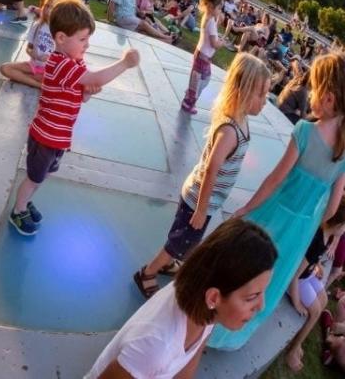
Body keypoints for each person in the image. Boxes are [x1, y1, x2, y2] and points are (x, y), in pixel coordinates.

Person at [210, 53, 345, 350]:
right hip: (302, 229)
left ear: (330, 99)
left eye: (315, 88)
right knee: (271, 279)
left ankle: (215, 321)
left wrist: (247, 208)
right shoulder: (343, 151)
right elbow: (333, 209)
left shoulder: (305, 132)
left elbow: (275, 179)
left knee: (246, 263)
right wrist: (314, 220)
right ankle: (236, 336)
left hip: (273, 215)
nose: (309, 94)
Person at [134, 53, 271, 298]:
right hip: (198, 200)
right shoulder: (230, 131)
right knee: (179, 242)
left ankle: (166, 263)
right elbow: (212, 169)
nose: (265, 101)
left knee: (185, 241)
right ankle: (147, 272)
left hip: (203, 200)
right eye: (260, 94)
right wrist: (201, 208)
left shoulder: (241, 122)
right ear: (242, 91)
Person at [9, 0, 140, 235]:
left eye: (87, 39)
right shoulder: (60, 64)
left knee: (43, 175)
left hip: (58, 139)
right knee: (33, 179)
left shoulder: (74, 62)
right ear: (61, 38)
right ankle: (17, 212)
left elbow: (80, 96)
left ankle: (26, 201)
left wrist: (87, 93)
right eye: (82, 39)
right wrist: (124, 64)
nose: (87, 45)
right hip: (45, 138)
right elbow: (96, 78)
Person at [86, 218, 277, 379]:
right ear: (214, 297)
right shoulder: (155, 346)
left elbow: (187, 364)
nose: (261, 305)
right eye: (252, 297)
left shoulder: (206, 308)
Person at [283, 204, 345, 370]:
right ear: (338, 225)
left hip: (308, 274)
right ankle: (293, 350)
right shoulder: (318, 240)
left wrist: (317, 264)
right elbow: (295, 276)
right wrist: (296, 302)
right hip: (299, 280)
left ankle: (299, 341)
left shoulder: (327, 235)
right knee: (315, 312)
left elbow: (312, 259)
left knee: (323, 299)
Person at [0, 0, 63, 88]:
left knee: (60, 80)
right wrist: (32, 53)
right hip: (33, 66)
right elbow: (29, 48)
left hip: (50, 70)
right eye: (47, 6)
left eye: (52, 7)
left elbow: (65, 57)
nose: (48, 10)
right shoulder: (37, 26)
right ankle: (38, 84)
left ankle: (26, 78)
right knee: (5, 68)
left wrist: (50, 58)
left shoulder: (62, 31)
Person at [181, 0, 224, 114]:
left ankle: (189, 95)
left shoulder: (208, 17)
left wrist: (218, 20)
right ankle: (188, 102)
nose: (220, 11)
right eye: (219, 8)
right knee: (199, 80)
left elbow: (212, 32)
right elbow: (214, 44)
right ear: (211, 7)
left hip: (202, 55)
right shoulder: (210, 22)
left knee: (203, 79)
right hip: (202, 57)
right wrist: (222, 43)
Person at [109, 0, 175, 44]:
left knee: (143, 32)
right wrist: (109, 19)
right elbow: (112, 3)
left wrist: (141, 12)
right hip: (123, 17)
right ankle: (165, 37)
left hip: (132, 17)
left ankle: (166, 41)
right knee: (144, 24)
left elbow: (134, 7)